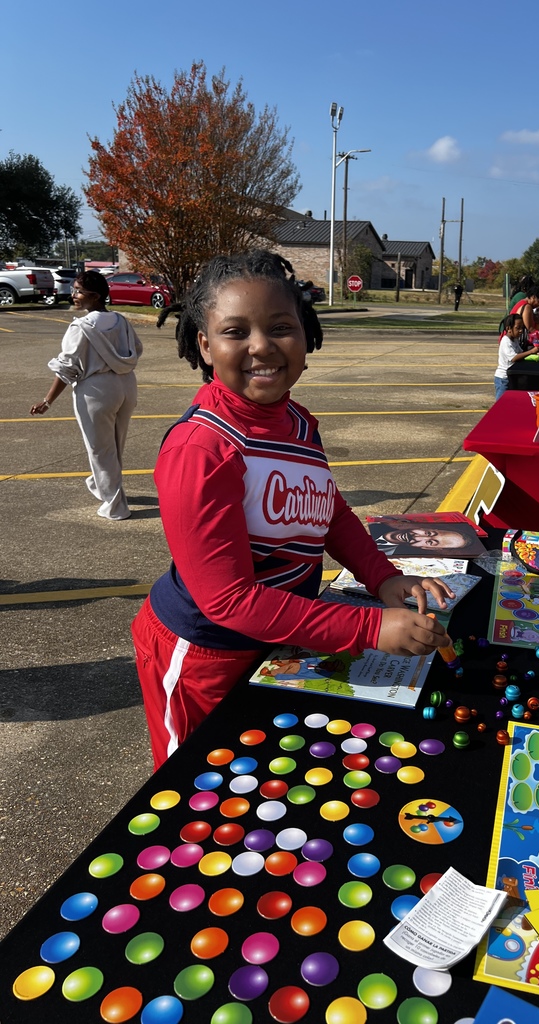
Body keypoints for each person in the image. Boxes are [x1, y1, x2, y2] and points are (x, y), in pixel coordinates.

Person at [132, 250, 452, 768]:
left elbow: (328, 511)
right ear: (205, 345)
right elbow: (229, 601)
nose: (261, 346)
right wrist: (369, 628)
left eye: (281, 326)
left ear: (306, 334)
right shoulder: (201, 450)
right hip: (204, 656)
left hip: (282, 638)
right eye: (236, 332)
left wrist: (383, 578)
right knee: (193, 784)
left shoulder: (299, 422)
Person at [29, 270, 142, 520]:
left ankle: (115, 506)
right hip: (126, 386)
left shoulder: (80, 327)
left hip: (97, 391)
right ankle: (103, 487)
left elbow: (66, 368)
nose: (74, 296)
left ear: (94, 296)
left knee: (101, 450)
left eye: (78, 291)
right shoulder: (120, 321)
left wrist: (48, 400)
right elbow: (137, 349)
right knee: (114, 445)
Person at [369, 522, 479, 556]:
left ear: (426, 548)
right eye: (428, 533)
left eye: (430, 542)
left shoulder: (391, 558)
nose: (417, 537)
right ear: (424, 528)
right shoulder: (375, 524)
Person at [494, 314, 530, 400]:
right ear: (508, 328)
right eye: (518, 328)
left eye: (522, 328)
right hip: (503, 378)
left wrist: (532, 355)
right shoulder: (506, 341)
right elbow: (514, 357)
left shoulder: (514, 340)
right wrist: (531, 351)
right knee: (500, 402)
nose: (521, 331)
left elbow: (521, 352)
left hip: (511, 376)